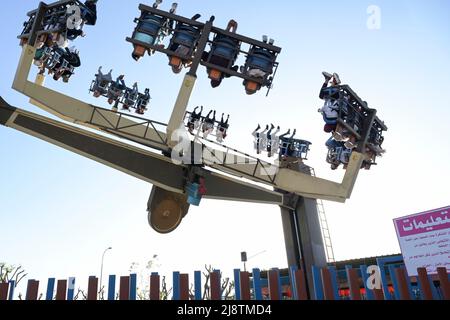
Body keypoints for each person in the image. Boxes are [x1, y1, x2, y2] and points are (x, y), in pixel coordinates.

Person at [201, 20, 240, 88]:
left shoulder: (226, 73)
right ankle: (227, 30)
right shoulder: (208, 66)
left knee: (233, 52)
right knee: (216, 45)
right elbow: (204, 55)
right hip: (219, 44)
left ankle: (233, 32)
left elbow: (236, 67)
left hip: (231, 47)